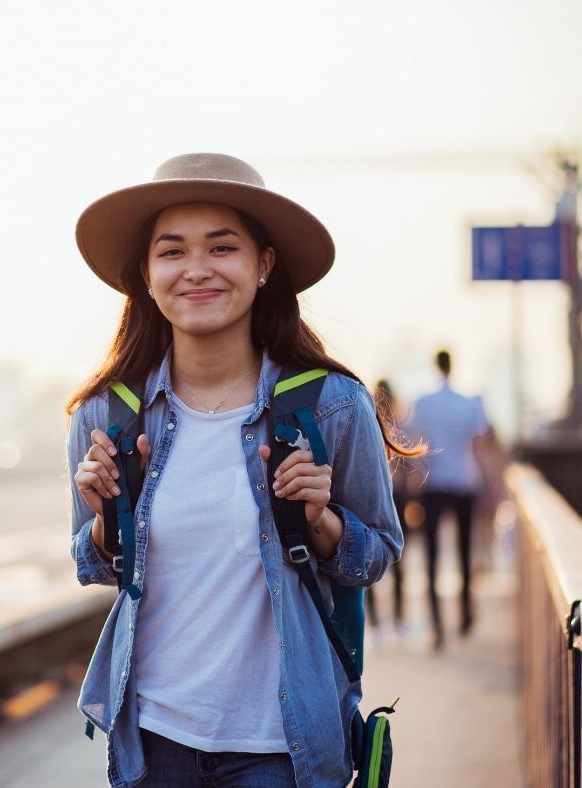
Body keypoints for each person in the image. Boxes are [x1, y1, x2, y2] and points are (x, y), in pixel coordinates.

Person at [67, 153, 410, 788]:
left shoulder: (332, 406)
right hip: (153, 738)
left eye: (222, 248)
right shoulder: (107, 414)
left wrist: (322, 521)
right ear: (146, 273)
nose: (196, 269)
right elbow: (93, 565)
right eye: (171, 252)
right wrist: (101, 519)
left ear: (263, 265)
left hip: (283, 745)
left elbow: (379, 555)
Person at [408, 349, 495, 650]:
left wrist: (417, 475)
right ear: (453, 365)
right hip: (464, 482)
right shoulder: (470, 403)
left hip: (433, 485)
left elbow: (414, 445)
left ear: (436, 365)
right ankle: (465, 614)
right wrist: (491, 486)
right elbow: (480, 444)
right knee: (464, 552)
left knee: (432, 556)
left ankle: (436, 624)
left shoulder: (422, 403)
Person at [365, 380, 414, 637]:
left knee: (369, 561)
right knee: (398, 561)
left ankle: (376, 624)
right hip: (398, 499)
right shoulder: (400, 428)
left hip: (372, 500)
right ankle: (397, 619)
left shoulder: (367, 424)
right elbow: (408, 472)